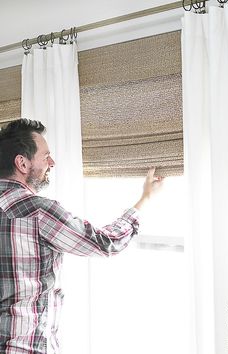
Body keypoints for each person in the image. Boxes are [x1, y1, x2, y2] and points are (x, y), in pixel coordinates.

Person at [0, 119, 163, 354]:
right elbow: (106, 243)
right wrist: (143, 200)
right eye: (46, 156)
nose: (52, 162)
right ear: (22, 163)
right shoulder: (37, 211)